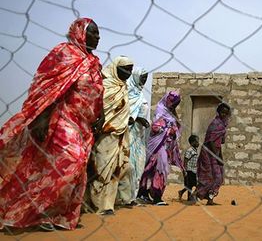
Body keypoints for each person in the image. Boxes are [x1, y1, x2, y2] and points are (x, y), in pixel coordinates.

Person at [0, 18, 103, 231]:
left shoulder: (93, 62)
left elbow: (97, 94)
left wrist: (98, 117)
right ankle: (31, 211)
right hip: (61, 117)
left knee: (75, 168)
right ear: (81, 33)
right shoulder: (64, 54)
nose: (98, 37)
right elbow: (47, 87)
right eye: (93, 33)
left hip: (83, 125)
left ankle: (57, 216)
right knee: (73, 159)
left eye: (99, 34)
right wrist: (42, 119)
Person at [88, 55, 135, 215]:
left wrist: (126, 118)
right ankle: (95, 203)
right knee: (101, 168)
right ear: (116, 68)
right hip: (106, 135)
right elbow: (99, 110)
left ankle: (107, 205)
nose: (129, 73)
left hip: (121, 135)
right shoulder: (106, 85)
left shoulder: (123, 87)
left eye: (131, 70)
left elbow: (121, 109)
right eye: (126, 69)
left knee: (117, 169)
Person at [137, 91, 184, 206]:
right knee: (158, 167)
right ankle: (155, 196)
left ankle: (147, 193)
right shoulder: (160, 109)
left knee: (155, 168)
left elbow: (177, 126)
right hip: (157, 145)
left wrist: (173, 126)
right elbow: (156, 127)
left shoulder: (171, 113)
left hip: (166, 145)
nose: (174, 106)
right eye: (173, 103)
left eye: (176, 104)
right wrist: (169, 129)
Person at [195, 103, 231, 205]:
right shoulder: (215, 124)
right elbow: (210, 141)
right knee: (210, 176)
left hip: (216, 152)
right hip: (208, 153)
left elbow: (219, 144)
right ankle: (198, 193)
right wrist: (217, 157)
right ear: (219, 112)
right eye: (222, 112)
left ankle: (210, 198)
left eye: (226, 113)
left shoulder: (223, 125)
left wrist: (220, 157)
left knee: (219, 177)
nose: (224, 115)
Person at [127, 68, 150, 198]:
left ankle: (132, 196)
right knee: (128, 166)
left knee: (139, 165)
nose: (145, 81)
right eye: (143, 77)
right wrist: (139, 119)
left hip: (139, 137)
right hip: (128, 135)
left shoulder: (141, 95)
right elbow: (125, 113)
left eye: (146, 78)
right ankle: (124, 196)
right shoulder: (127, 93)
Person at [178, 135, 199, 202]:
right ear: (192, 142)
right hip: (189, 170)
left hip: (194, 170)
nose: (198, 143)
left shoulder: (195, 150)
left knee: (191, 184)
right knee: (191, 185)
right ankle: (190, 197)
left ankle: (182, 192)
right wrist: (185, 170)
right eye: (196, 141)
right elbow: (186, 160)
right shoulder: (189, 150)